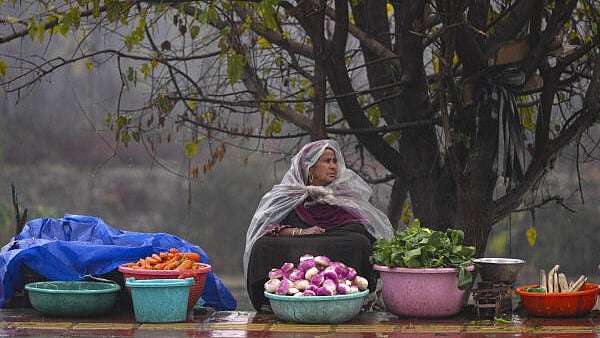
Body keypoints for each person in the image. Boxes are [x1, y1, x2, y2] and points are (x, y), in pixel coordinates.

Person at [243, 139, 394, 311]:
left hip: (334, 240)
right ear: (310, 169)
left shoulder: (343, 196)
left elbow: (358, 227)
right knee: (262, 246)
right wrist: (303, 232)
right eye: (326, 161)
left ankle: (351, 296)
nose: (333, 166)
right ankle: (271, 301)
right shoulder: (288, 195)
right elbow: (269, 228)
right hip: (298, 242)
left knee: (359, 243)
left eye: (334, 161)